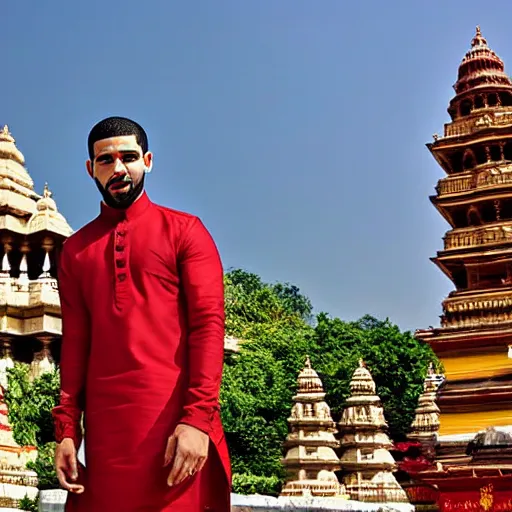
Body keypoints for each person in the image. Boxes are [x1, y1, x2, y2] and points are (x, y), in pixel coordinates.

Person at [52, 116, 231, 511]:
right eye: (105, 160)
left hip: (175, 430)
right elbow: (76, 344)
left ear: (147, 160)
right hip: (106, 439)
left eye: (128, 157)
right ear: (90, 169)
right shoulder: (76, 251)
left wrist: (198, 419)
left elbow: (207, 326)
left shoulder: (185, 231)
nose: (118, 168)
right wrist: (67, 431)